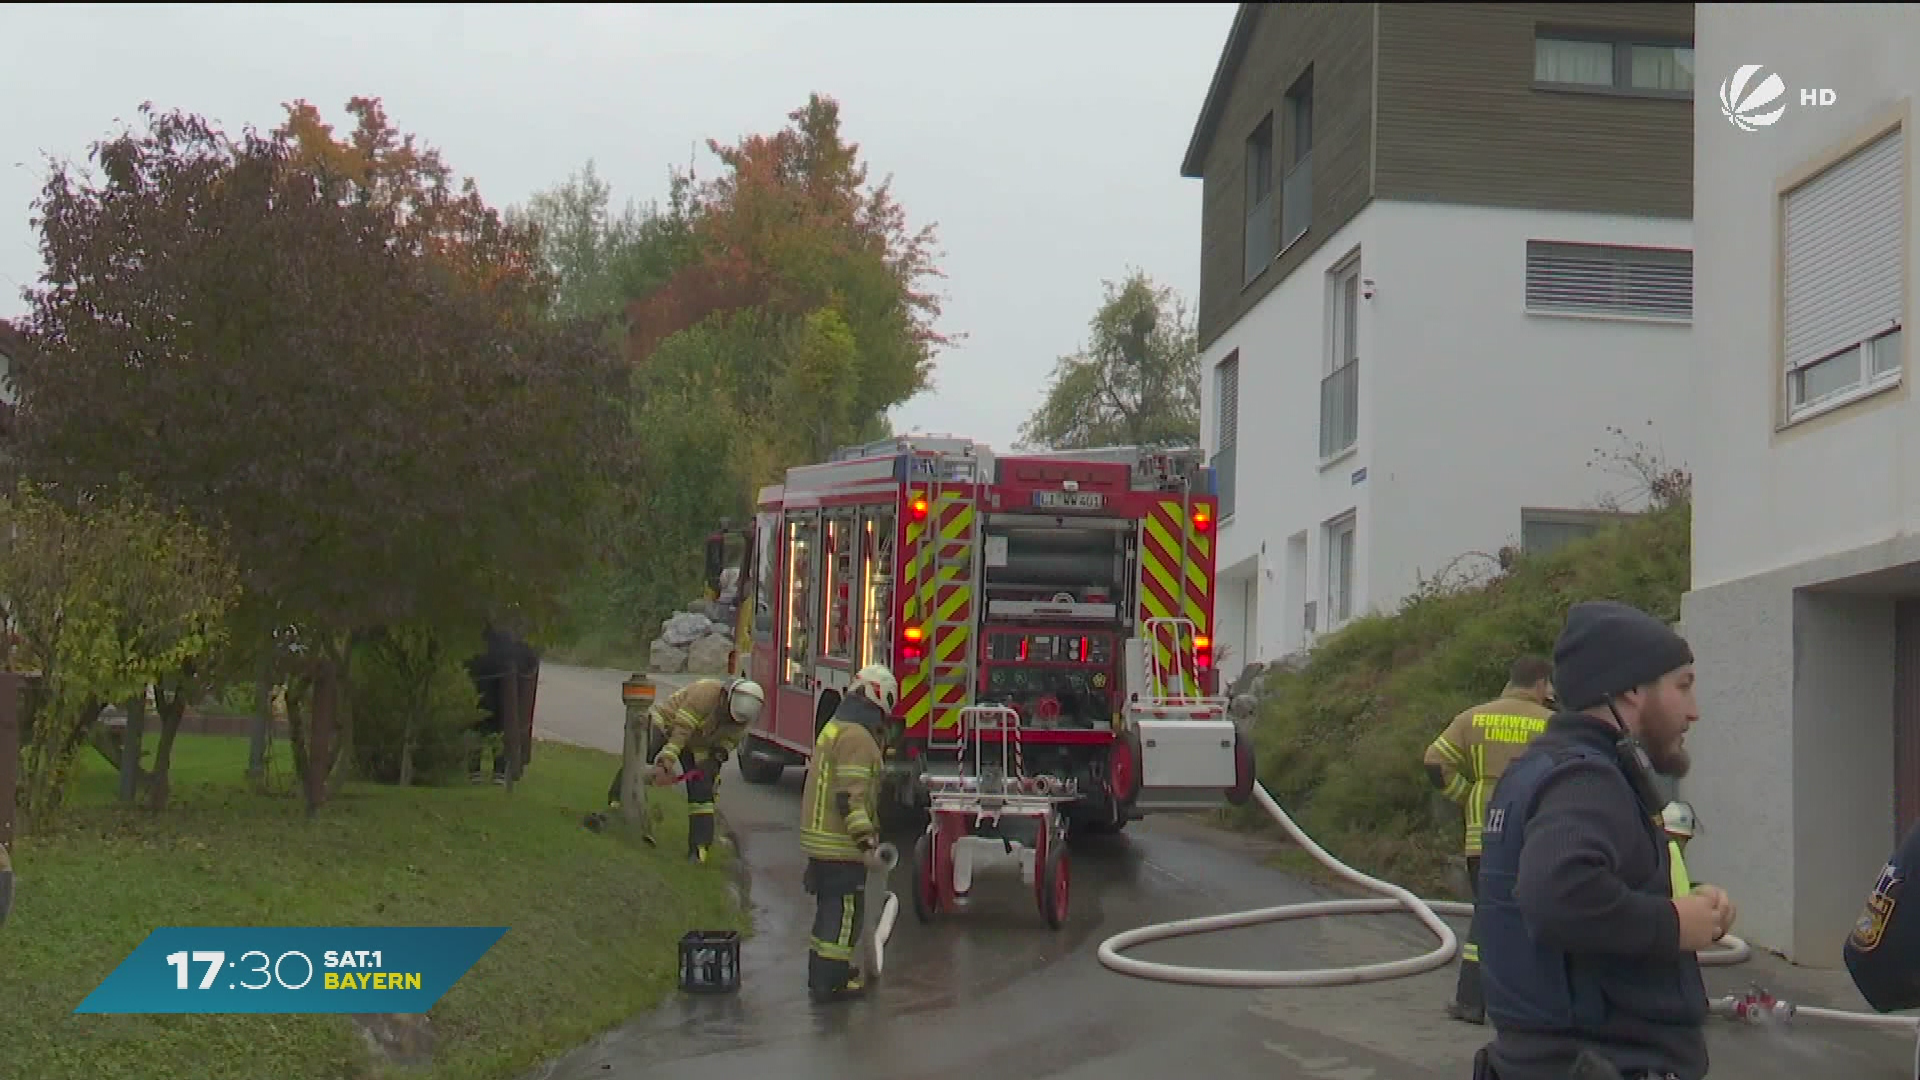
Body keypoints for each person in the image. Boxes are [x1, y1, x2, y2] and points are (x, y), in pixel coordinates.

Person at [1472, 600, 1736, 1080]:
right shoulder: (1587, 781)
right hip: (1601, 1062)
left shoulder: (1537, 770)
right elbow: (1557, 892)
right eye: (1683, 687)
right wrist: (1671, 924)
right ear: (1631, 690)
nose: (1694, 712)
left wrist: (1689, 907)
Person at [1422, 655, 1556, 1025]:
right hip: (1534, 833)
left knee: (1486, 913)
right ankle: (1529, 1003)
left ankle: (1471, 999)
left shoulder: (1474, 717)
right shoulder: (1554, 723)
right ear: (1541, 683)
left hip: (1483, 832)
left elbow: (1434, 761)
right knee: (1534, 915)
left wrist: (1466, 793)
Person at [800, 664, 896, 1002]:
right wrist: (866, 841)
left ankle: (823, 973)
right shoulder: (857, 737)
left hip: (821, 837)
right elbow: (851, 797)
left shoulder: (838, 727)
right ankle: (832, 982)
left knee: (829, 910)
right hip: (838, 842)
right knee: (843, 915)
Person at [606, 675, 766, 863]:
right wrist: (667, 760)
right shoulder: (705, 693)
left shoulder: (743, 720)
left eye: (734, 719)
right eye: (728, 714)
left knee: (702, 789)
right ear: (725, 696)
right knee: (642, 755)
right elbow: (681, 731)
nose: (729, 719)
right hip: (666, 724)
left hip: (699, 743)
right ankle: (618, 800)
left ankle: (699, 847)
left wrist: (715, 759)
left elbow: (729, 741)